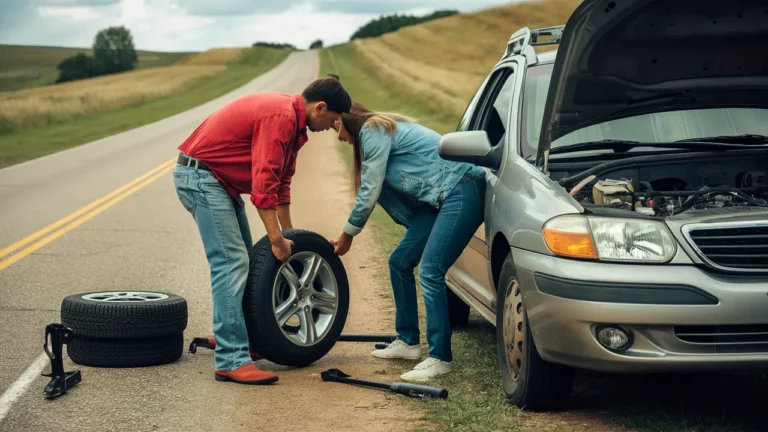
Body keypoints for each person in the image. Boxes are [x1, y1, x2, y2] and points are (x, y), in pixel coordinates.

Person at [173, 74, 352, 385]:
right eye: (333, 120)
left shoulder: (294, 126)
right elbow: (264, 186)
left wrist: (292, 239)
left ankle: (238, 337)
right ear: (320, 108)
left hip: (219, 182)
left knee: (247, 264)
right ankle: (231, 358)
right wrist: (275, 239)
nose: (331, 128)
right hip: (201, 179)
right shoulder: (281, 118)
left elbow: (281, 186)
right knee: (232, 264)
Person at [330, 102, 486, 381]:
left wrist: (348, 234)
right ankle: (408, 342)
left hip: (460, 188)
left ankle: (440, 358)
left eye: (335, 126)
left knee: (430, 270)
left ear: (346, 119)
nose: (338, 135)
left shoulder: (373, 129)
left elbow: (370, 188)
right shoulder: (375, 133)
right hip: (439, 201)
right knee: (399, 262)